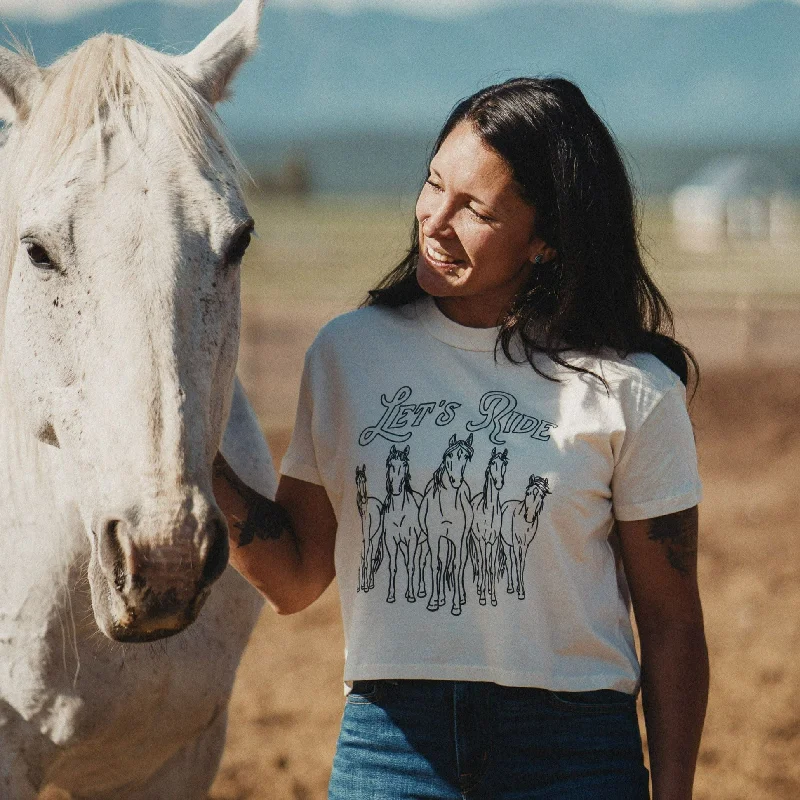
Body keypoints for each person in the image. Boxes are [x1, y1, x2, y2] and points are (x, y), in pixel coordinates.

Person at [213, 77, 709, 800]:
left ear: (546, 241)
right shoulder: (349, 355)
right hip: (392, 746)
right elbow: (293, 579)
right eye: (433, 183)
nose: (434, 220)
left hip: (572, 753)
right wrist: (196, 462)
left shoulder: (631, 391)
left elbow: (671, 626)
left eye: (474, 208)